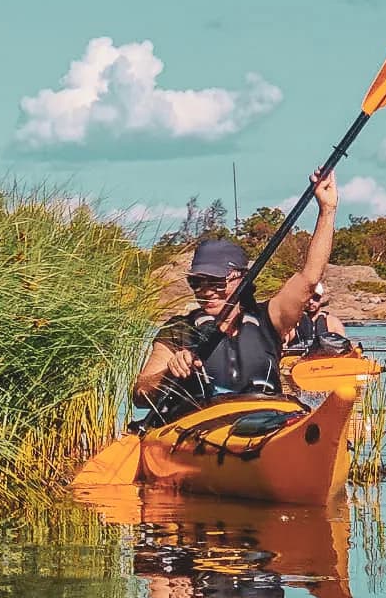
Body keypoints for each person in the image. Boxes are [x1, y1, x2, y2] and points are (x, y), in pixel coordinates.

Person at [131, 171, 339, 424]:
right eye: (197, 282)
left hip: (267, 422)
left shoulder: (269, 319)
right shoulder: (179, 330)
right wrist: (169, 372)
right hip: (201, 428)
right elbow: (140, 393)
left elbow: (309, 279)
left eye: (216, 282)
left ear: (242, 279)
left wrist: (327, 210)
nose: (206, 291)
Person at [283, 279, 354, 357]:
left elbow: (344, 346)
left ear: (321, 299)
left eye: (315, 298)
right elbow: (282, 345)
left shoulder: (332, 322)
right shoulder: (291, 323)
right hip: (298, 360)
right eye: (307, 297)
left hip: (326, 361)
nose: (311, 302)